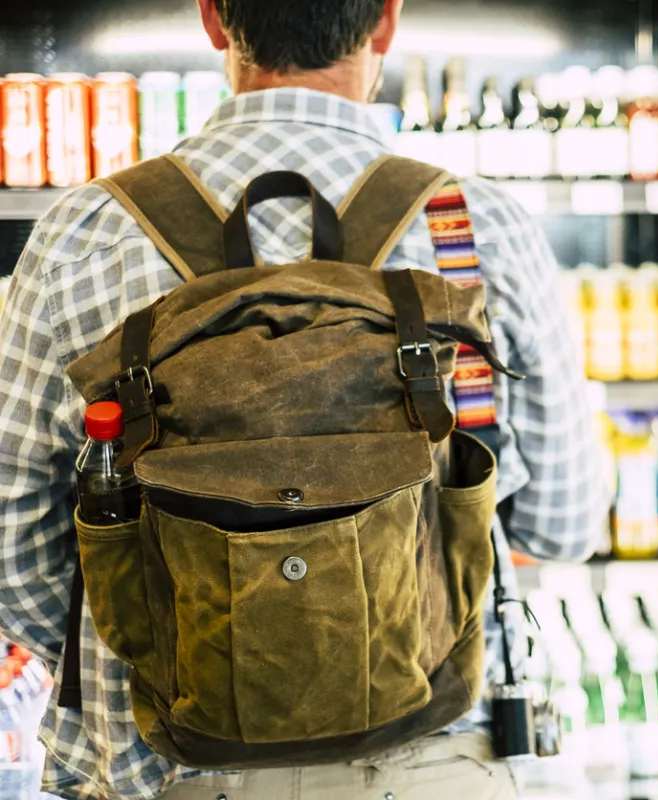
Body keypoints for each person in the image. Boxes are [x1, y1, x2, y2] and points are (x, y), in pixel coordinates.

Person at [0, 0, 611, 797]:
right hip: (431, 756)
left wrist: (153, 641)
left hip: (172, 765)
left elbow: (13, 551)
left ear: (215, 19)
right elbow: (563, 525)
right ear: (385, 22)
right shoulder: (470, 224)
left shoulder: (83, 230)